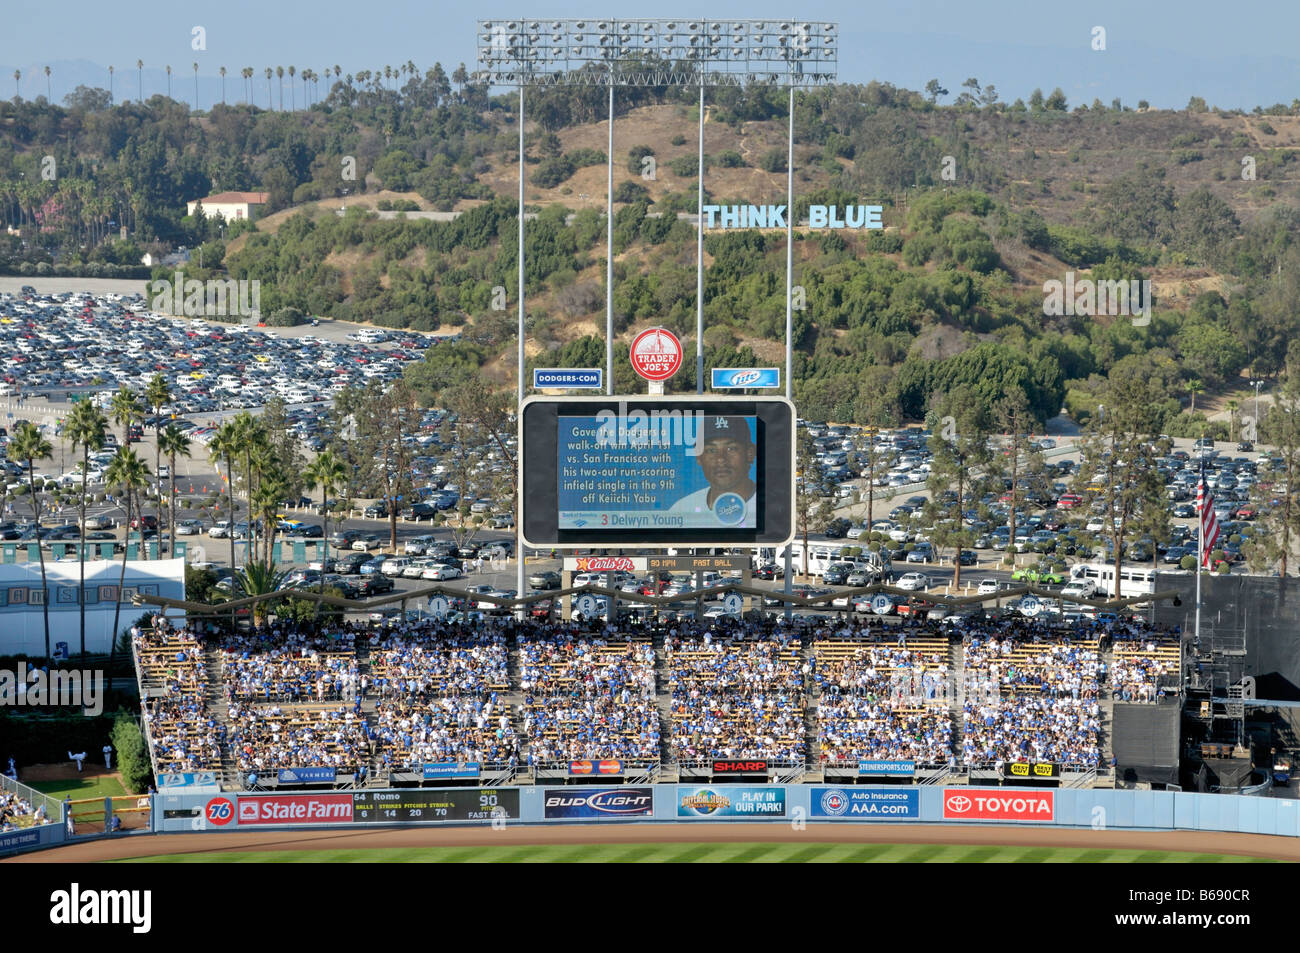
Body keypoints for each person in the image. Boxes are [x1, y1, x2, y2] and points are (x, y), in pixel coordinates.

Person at [668, 416, 758, 527]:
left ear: (749, 453)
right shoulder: (681, 511)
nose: (720, 459)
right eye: (711, 450)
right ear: (699, 457)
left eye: (731, 448)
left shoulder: (770, 507)